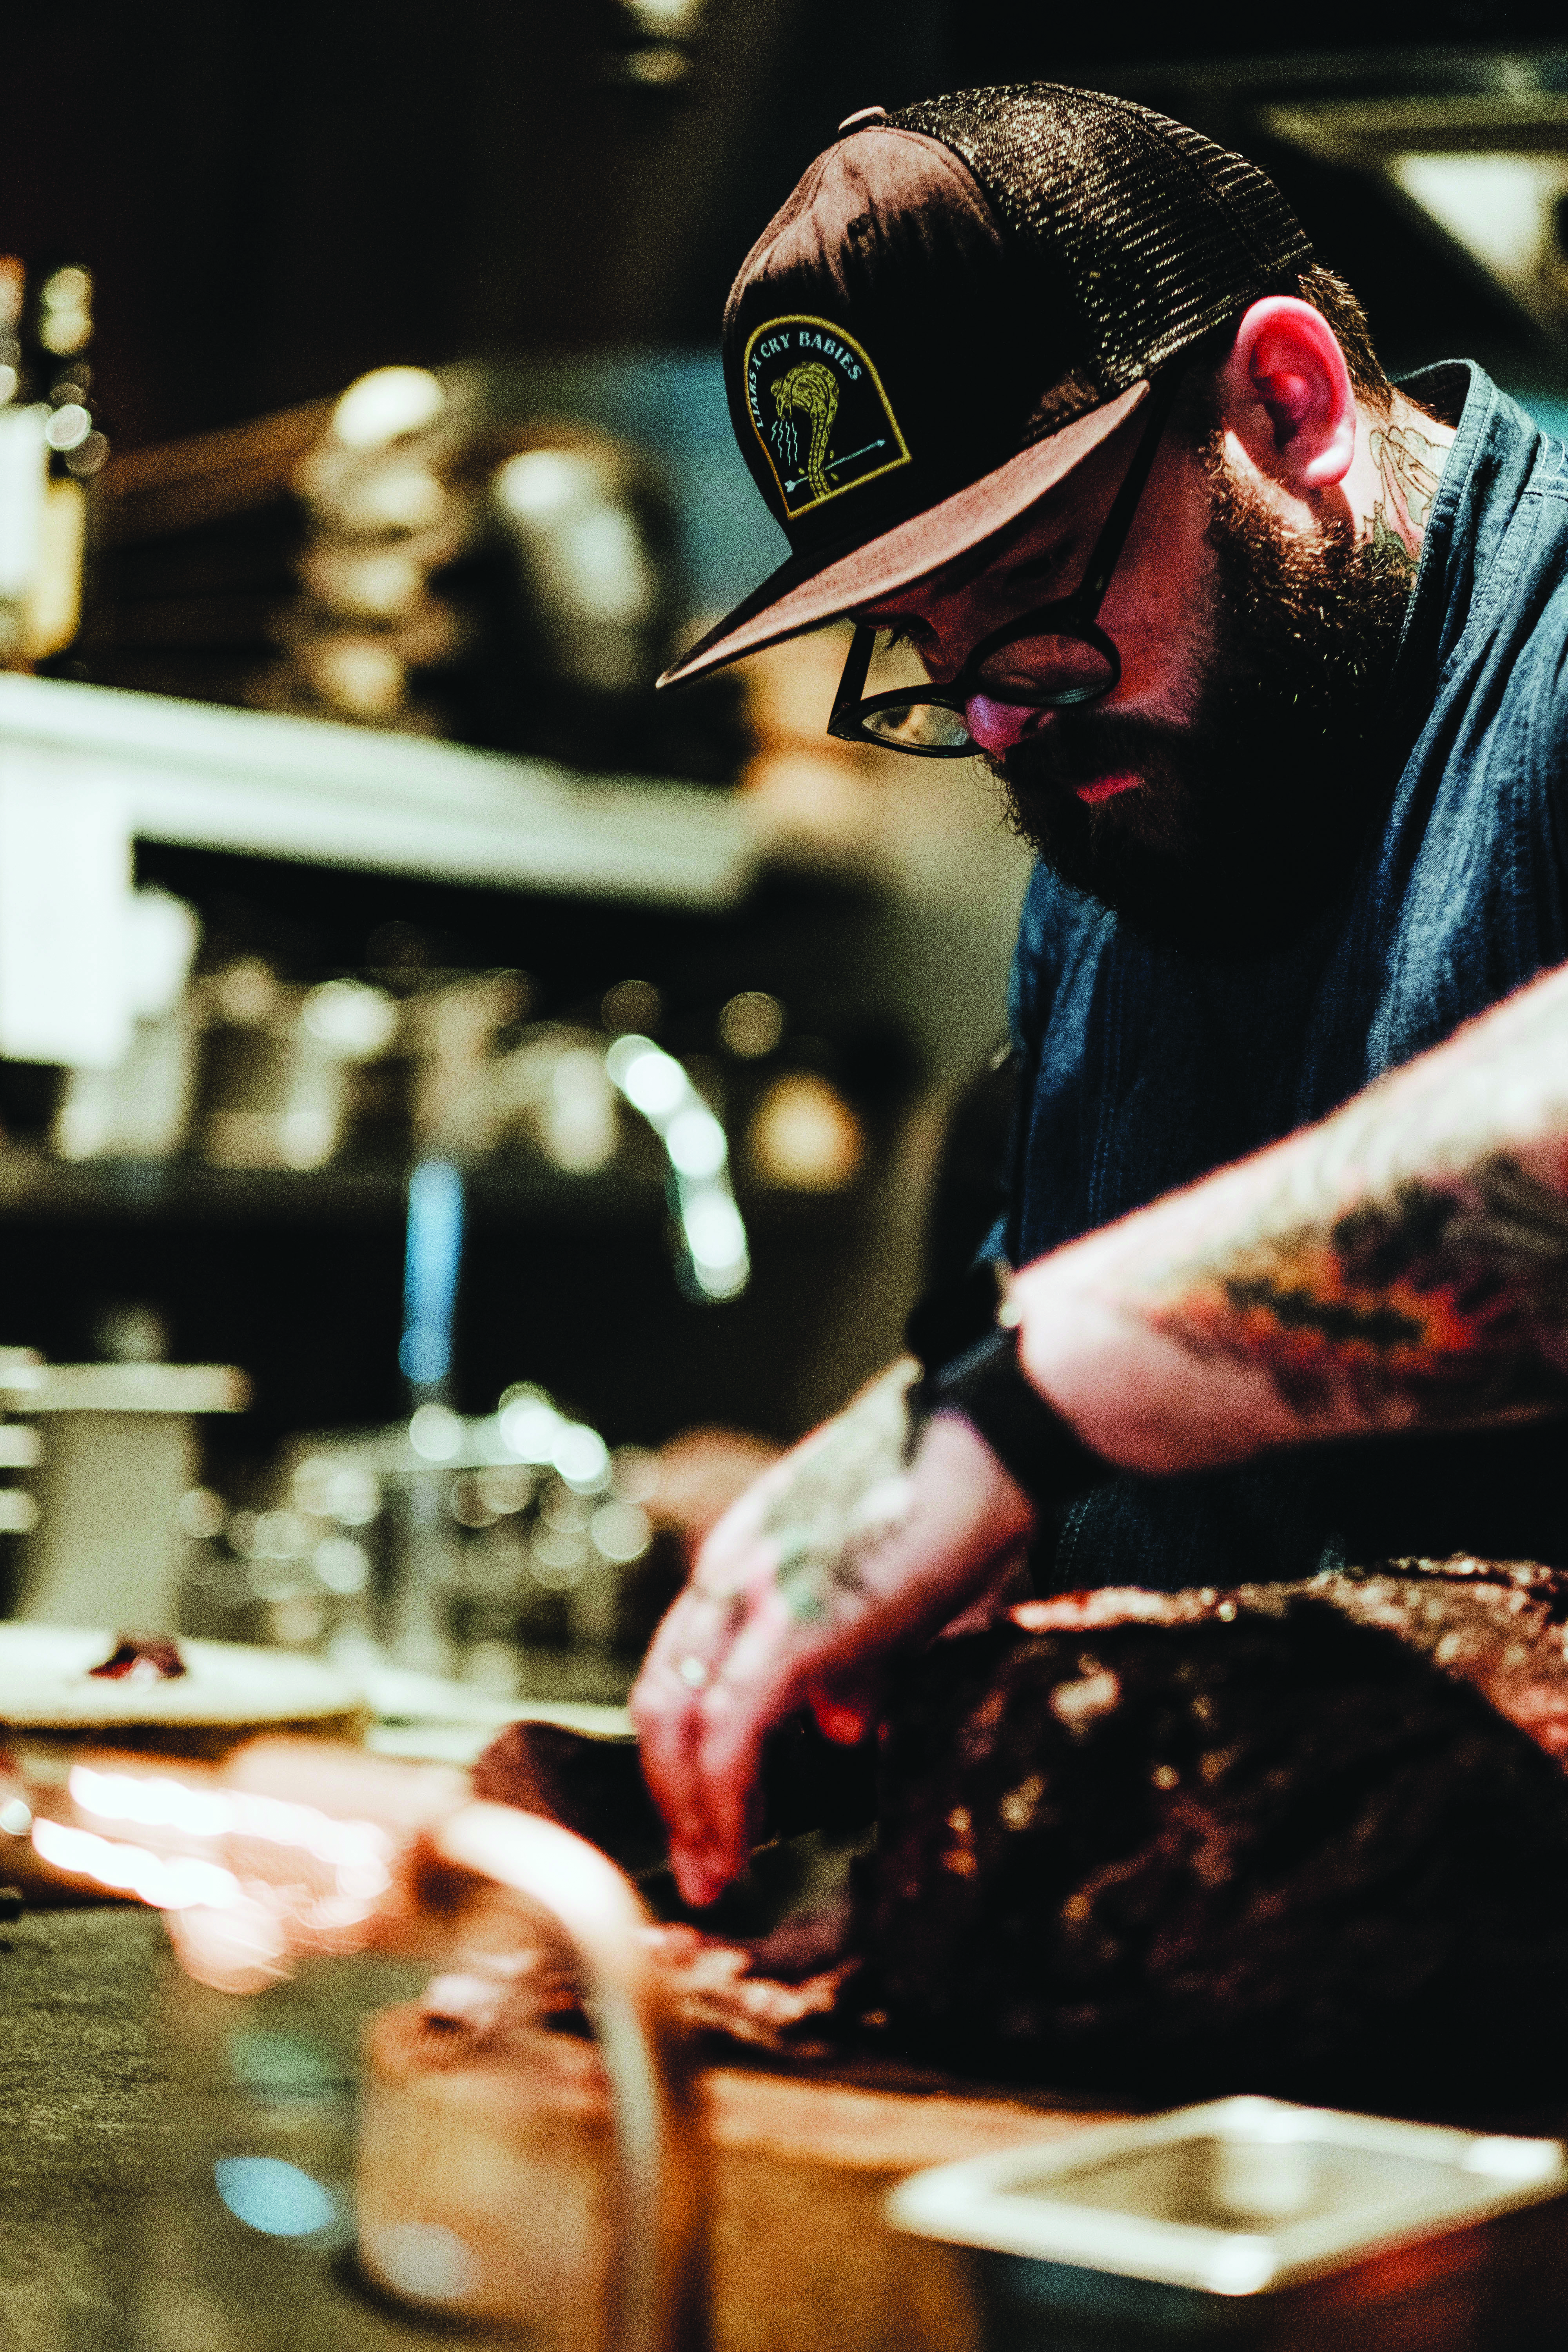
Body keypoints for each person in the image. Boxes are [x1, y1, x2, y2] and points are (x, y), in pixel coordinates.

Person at [630, 83, 1568, 1908]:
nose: (994, 726)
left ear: (1284, 407)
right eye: (927, 655)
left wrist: (1021, 1404)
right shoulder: (1124, 816)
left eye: (1033, 604)